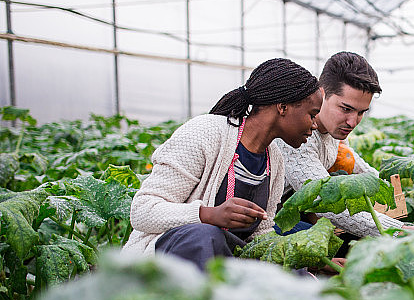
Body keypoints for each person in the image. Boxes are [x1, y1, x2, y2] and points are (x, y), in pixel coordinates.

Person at [122, 58, 323, 271]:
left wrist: (311, 264)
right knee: (206, 236)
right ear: (283, 107)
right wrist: (208, 215)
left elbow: (261, 234)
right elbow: (142, 212)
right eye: (312, 114)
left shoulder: (275, 160)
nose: (315, 124)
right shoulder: (205, 133)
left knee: (296, 276)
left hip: (227, 264)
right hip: (163, 264)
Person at [278, 51, 414, 237]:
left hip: (302, 212)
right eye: (346, 109)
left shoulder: (335, 129)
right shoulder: (298, 135)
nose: (352, 122)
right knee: (339, 239)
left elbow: (356, 164)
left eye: (360, 112)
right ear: (321, 94)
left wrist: (394, 194)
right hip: (271, 220)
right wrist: (400, 231)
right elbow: (324, 203)